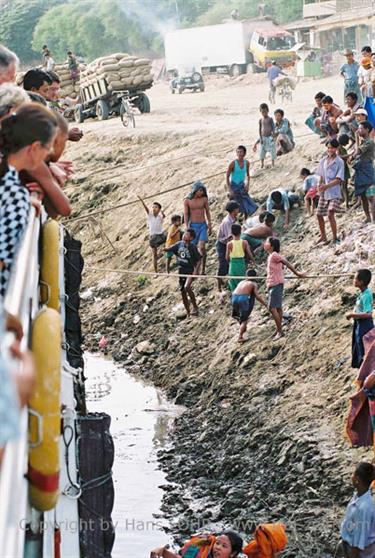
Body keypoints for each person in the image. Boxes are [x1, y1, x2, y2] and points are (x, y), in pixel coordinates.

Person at [0, 104, 58, 299]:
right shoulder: (14, 196)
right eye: (47, 147)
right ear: (34, 148)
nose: (49, 154)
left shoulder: (9, 182)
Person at [265, 237, 305, 340]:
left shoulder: (274, 255)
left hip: (276, 284)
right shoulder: (271, 256)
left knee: (272, 308)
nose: (265, 244)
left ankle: (280, 331)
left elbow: (285, 262)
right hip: (274, 284)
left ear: (272, 246)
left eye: (267, 242)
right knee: (278, 308)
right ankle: (278, 329)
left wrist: (297, 273)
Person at [339, 462, 375, 557]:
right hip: (350, 545)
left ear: (357, 479)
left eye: (353, 474)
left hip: (357, 552)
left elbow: (359, 540)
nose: (351, 476)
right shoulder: (358, 496)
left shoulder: (363, 508)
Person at [165, 228, 201, 318]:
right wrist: (165, 249)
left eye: (187, 235)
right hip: (181, 270)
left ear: (191, 238)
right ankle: (188, 312)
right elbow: (170, 249)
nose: (185, 235)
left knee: (187, 287)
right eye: (184, 233)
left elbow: (199, 259)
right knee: (183, 291)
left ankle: (195, 307)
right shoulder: (179, 244)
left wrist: (196, 271)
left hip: (189, 270)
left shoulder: (192, 247)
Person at [315, 139, 345, 245]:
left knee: (330, 213)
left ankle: (334, 237)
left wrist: (326, 186)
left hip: (334, 191)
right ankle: (323, 236)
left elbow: (339, 179)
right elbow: (321, 175)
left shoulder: (339, 162)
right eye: (328, 148)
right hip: (324, 192)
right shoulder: (323, 160)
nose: (330, 150)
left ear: (336, 148)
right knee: (319, 214)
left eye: (331, 148)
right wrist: (320, 184)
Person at [346, 269, 374, 369]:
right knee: (358, 347)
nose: (353, 280)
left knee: (364, 349)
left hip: (364, 325)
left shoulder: (366, 295)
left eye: (355, 279)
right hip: (359, 324)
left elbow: (369, 314)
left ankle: (366, 374)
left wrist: (352, 315)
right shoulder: (362, 293)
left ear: (361, 282)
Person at [232, 269, 268, 343]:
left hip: (234, 298)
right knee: (245, 319)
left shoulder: (241, 282)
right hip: (243, 298)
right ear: (255, 276)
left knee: (240, 316)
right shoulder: (253, 284)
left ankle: (243, 329)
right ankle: (240, 336)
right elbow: (257, 297)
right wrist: (265, 304)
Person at [184, 181, 212, 274]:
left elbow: (207, 211)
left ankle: (201, 269)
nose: (202, 193)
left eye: (202, 191)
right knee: (193, 249)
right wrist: (186, 226)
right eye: (200, 191)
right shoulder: (187, 200)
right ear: (195, 190)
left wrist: (210, 223)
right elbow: (186, 214)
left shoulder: (204, 199)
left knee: (202, 247)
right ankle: (196, 268)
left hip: (203, 225)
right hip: (193, 226)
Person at [150, 531, 243, 558]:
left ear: (233, 553)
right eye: (217, 543)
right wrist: (161, 551)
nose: (217, 547)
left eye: (224, 546)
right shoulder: (201, 552)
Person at [350, 121, 375, 222]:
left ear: (367, 130)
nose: (358, 130)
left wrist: (356, 138)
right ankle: (368, 217)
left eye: (360, 129)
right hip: (360, 169)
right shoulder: (364, 141)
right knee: (363, 196)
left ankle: (373, 218)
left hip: (367, 169)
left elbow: (358, 151)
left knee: (370, 196)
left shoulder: (370, 142)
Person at [226, 145, 257, 219]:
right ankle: (234, 221)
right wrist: (230, 190)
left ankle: (245, 220)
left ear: (244, 153)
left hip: (242, 186)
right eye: (238, 152)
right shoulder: (233, 164)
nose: (239, 154)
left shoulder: (247, 163)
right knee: (234, 205)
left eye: (241, 152)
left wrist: (247, 185)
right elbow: (227, 176)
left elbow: (248, 175)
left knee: (246, 203)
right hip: (234, 186)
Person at [216, 201, 240, 295]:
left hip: (227, 243)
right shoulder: (227, 222)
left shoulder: (233, 219)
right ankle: (218, 286)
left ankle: (223, 281)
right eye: (237, 209)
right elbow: (229, 237)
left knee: (228, 264)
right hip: (223, 244)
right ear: (234, 210)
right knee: (223, 264)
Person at [138, 196, 166, 272]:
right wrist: (142, 201)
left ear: (159, 209)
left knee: (167, 240)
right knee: (154, 255)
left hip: (160, 236)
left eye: (156, 207)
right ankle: (156, 271)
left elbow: (163, 216)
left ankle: (162, 252)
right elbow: (146, 209)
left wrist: (162, 212)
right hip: (153, 237)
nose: (154, 208)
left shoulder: (160, 216)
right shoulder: (150, 215)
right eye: (153, 207)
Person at [226, 223, 254, 292]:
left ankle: (234, 297)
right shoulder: (244, 242)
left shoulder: (229, 244)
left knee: (233, 283)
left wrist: (230, 262)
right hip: (241, 263)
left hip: (233, 264)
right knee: (242, 281)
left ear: (232, 232)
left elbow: (227, 257)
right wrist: (253, 261)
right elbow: (249, 254)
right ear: (240, 232)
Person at [253, 103, 276, 169]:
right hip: (263, 137)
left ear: (268, 111)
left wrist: (273, 136)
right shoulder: (260, 120)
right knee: (262, 152)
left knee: (272, 151)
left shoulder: (270, 119)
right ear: (260, 112)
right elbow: (260, 130)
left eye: (265, 111)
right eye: (262, 112)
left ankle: (273, 164)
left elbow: (273, 128)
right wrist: (261, 138)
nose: (264, 113)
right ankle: (262, 164)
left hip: (269, 137)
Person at [338, 134, 351, 208]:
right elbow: (339, 157)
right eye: (347, 142)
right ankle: (345, 203)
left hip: (343, 169)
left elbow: (345, 159)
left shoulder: (342, 149)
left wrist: (349, 159)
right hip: (341, 170)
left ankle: (346, 203)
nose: (347, 143)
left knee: (344, 187)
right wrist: (349, 155)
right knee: (343, 187)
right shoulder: (338, 148)